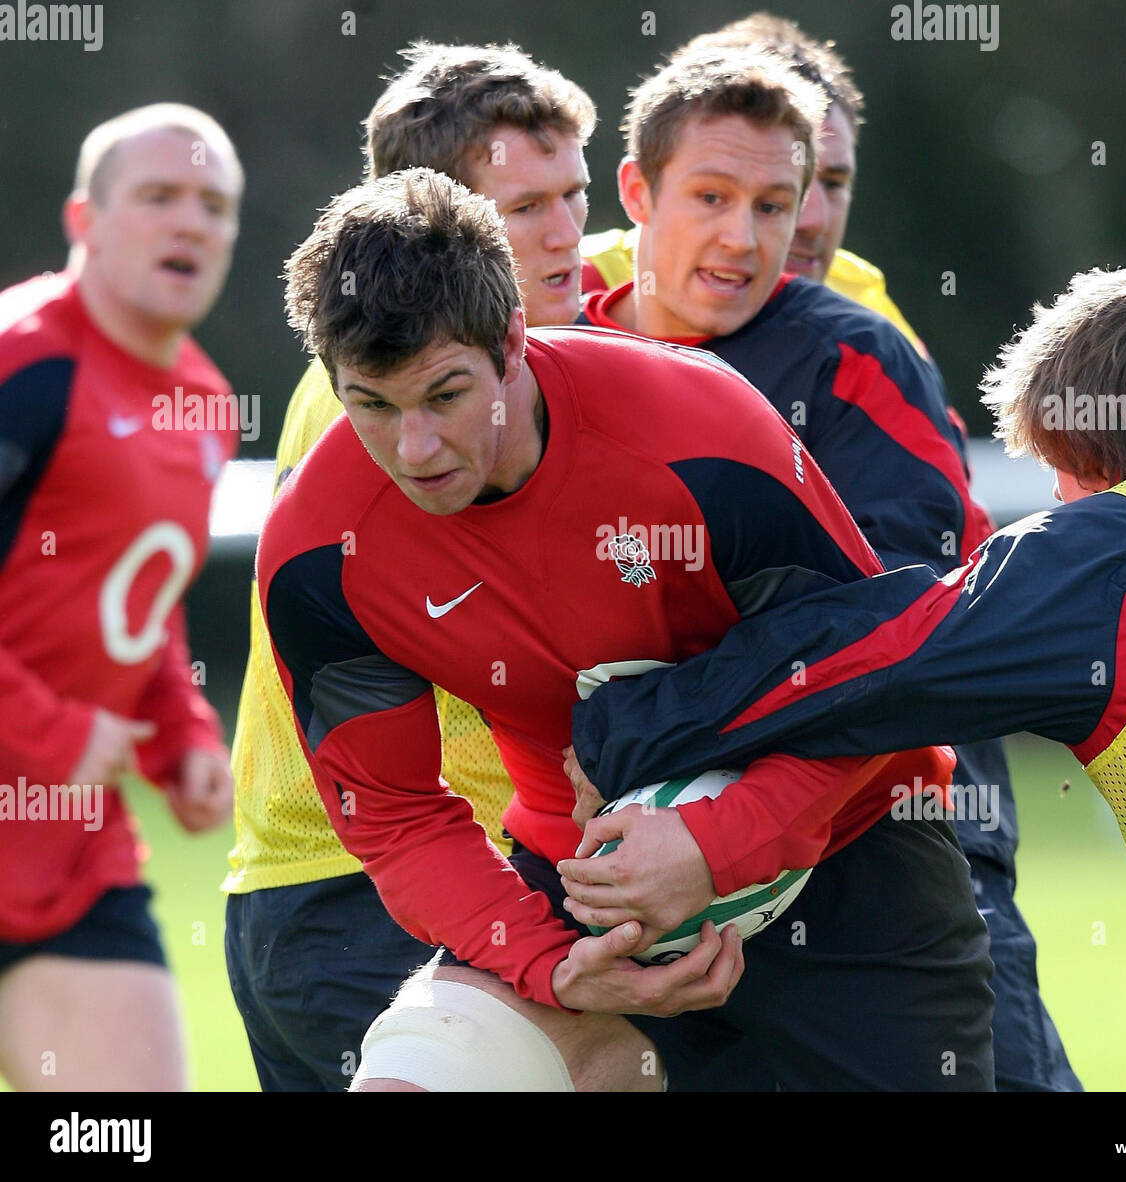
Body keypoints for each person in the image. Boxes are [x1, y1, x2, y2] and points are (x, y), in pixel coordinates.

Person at [260, 166, 995, 1091]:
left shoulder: (700, 429)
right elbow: (397, 814)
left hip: (853, 845)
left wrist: (717, 844)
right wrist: (549, 962)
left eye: (445, 395)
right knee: (410, 1080)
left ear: (514, 343)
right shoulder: (316, 552)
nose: (414, 447)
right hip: (586, 892)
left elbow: (872, 674)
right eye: (371, 404)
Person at [569, 264, 1126, 1091]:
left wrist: (621, 729)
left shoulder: (1115, 546)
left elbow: (874, 661)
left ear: (1083, 457)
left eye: (1051, 469)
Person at [576, 44, 1077, 1090]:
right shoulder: (543, 358)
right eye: (711, 196)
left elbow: (903, 637)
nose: (748, 236)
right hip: (620, 882)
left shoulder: (857, 356)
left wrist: (662, 744)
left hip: (874, 861)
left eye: (775, 202)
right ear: (635, 191)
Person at [223, 41, 597, 1091]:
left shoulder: (433, 385)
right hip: (378, 893)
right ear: (428, 230)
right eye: (522, 210)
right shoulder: (397, 418)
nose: (566, 236)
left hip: (316, 899)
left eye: (574, 193)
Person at [0, 103, 241, 1090]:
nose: (192, 223)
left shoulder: (207, 404)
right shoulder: (24, 363)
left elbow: (142, 596)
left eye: (215, 206)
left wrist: (178, 729)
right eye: (160, 197)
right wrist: (49, 732)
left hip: (68, 846)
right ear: (84, 221)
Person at [580, 13, 929, 359]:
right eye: (713, 196)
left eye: (833, 183)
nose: (812, 220)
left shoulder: (866, 315)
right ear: (639, 191)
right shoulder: (572, 280)